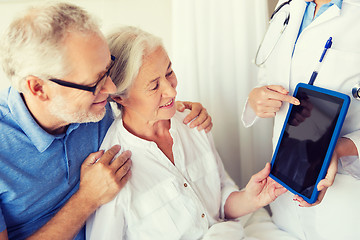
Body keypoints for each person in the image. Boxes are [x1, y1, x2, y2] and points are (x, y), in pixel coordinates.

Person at [0, 3, 213, 240]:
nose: (111, 89)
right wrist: (86, 199)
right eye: (96, 82)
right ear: (38, 88)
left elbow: (135, 95)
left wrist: (175, 107)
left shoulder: (93, 109)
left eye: (108, 70)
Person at [86, 26, 286, 240]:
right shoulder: (112, 170)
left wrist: (250, 198)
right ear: (119, 97)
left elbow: (220, 201)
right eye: (154, 86)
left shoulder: (193, 122)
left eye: (169, 72)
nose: (172, 90)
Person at [243, 0, 360, 239]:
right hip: (283, 184)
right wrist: (257, 97)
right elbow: (268, 71)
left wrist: (341, 147)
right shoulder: (287, 6)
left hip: (346, 199)